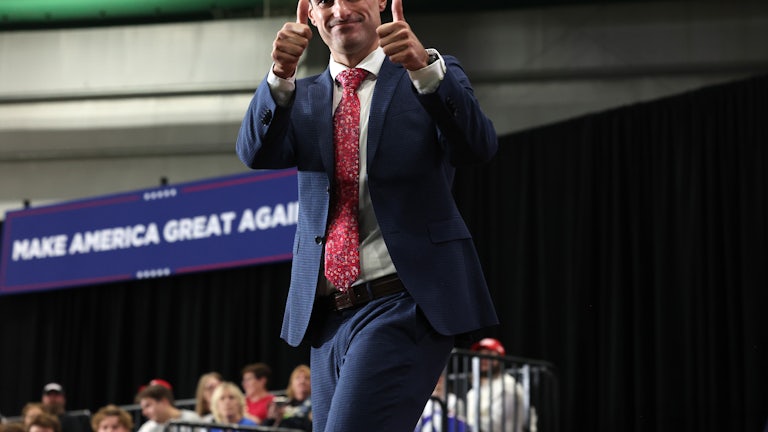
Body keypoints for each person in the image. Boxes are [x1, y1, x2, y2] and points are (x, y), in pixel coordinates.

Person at [235, 0, 499, 429]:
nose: (340, 9)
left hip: (404, 301)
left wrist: (424, 69)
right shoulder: (299, 96)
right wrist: (280, 75)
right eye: (325, 1)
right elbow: (254, 152)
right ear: (311, 14)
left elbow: (477, 146)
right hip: (327, 317)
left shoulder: (427, 75)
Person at [465, 338, 526, 432]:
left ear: (499, 359)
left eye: (489, 355)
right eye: (480, 355)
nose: (483, 359)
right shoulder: (473, 392)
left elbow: (495, 424)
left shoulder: (508, 386)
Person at [262, 365, 312, 432]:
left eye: (306, 378)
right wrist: (271, 418)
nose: (302, 381)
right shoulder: (284, 403)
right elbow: (265, 427)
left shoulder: (314, 406)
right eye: (298, 378)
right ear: (292, 383)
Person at [135, 382, 200, 432]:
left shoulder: (193, 419)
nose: (144, 413)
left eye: (148, 406)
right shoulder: (148, 428)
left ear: (164, 401)